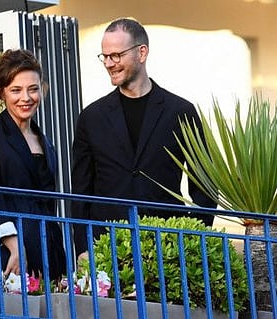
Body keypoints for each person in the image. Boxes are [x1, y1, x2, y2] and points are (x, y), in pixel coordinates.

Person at [71, 17, 217, 261]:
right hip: (107, 247)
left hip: (167, 249)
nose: (109, 63)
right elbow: (81, 191)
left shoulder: (181, 111)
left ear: (142, 52)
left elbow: (204, 185)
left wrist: (192, 238)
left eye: (116, 55)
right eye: (105, 56)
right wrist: (83, 248)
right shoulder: (91, 117)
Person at [0, 49, 66, 280]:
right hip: (6, 251)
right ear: (1, 92)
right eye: (16, 90)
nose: (26, 97)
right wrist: (14, 246)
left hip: (47, 250)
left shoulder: (46, 141)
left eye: (33, 89)